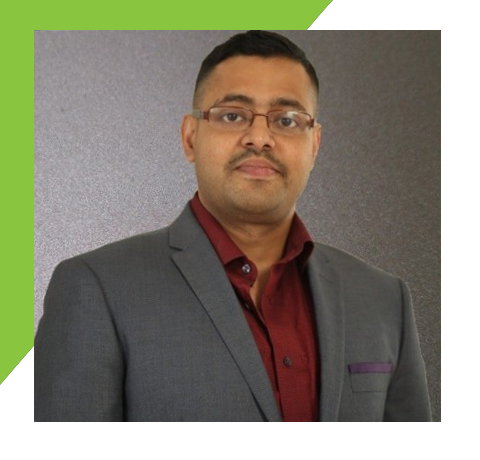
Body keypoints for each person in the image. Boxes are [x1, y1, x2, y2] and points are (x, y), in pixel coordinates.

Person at [34, 30, 432, 422]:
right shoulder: (98, 288)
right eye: (232, 115)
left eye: (287, 120)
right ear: (190, 138)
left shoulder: (383, 299)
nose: (259, 138)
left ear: (314, 145)